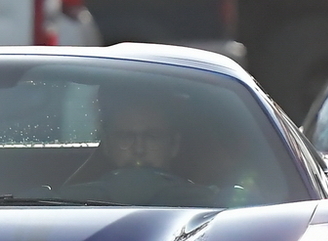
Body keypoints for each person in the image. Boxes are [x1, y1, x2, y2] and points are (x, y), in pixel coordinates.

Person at [58, 88, 218, 206]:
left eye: (152, 137)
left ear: (174, 144)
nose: (139, 149)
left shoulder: (209, 205)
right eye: (125, 137)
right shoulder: (68, 205)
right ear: (106, 144)